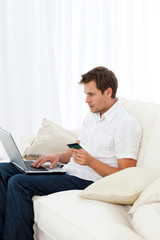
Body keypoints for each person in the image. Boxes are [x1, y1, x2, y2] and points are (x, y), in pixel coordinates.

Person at [0, 66, 142, 240]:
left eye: (91, 94)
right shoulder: (93, 115)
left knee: (18, 183)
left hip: (87, 181)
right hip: (69, 170)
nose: (86, 100)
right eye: (85, 94)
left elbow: (126, 175)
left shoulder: (125, 124)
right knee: (3, 170)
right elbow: (78, 148)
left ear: (108, 92)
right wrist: (59, 156)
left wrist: (91, 162)